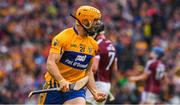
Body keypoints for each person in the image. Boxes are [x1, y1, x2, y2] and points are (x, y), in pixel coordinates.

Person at [38, 6, 106, 104]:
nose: (97, 25)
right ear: (85, 21)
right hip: (54, 87)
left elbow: (88, 71)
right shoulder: (63, 38)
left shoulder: (93, 44)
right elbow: (50, 63)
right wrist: (61, 80)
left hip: (76, 90)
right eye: (95, 21)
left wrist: (94, 92)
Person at [86, 23, 118, 105]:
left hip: (97, 83)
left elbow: (94, 68)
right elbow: (115, 69)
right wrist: (113, 86)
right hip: (107, 85)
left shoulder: (97, 45)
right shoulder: (112, 45)